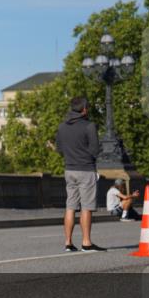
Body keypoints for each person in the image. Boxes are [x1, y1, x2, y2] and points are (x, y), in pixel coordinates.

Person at [55, 96, 104, 252]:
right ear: (84, 109)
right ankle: (86, 242)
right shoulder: (89, 126)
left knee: (70, 206)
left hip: (69, 169)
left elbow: (59, 149)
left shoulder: (62, 126)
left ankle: (68, 243)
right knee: (86, 207)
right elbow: (95, 150)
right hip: (86, 169)